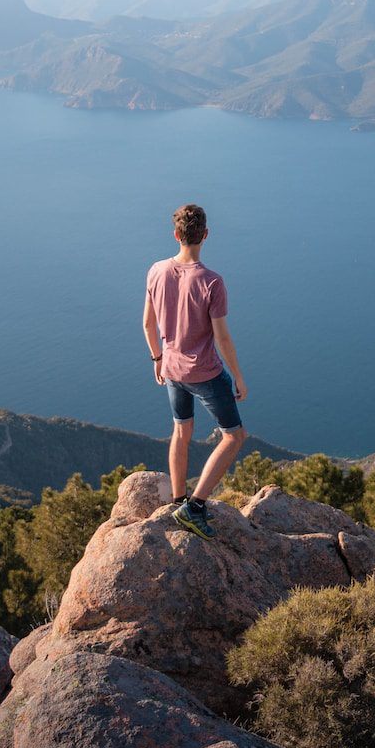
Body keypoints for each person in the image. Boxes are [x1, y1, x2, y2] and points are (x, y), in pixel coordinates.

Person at [142, 202, 247, 540]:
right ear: (205, 235)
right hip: (204, 372)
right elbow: (222, 336)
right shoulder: (212, 282)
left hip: (171, 369)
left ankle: (178, 500)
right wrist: (239, 377)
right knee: (234, 435)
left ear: (176, 235)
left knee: (181, 431)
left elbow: (147, 323)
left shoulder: (156, 270)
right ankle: (195, 507)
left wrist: (157, 359)